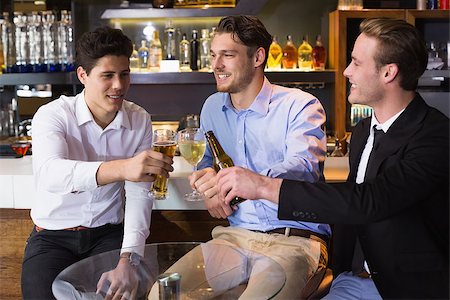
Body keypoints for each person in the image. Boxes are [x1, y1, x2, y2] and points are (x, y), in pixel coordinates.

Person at [216, 18, 449, 299]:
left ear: (388, 73)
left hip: (407, 288)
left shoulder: (436, 135)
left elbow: (369, 201)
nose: (347, 71)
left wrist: (263, 186)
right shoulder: (364, 131)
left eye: (356, 63)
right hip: (352, 280)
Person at [154, 15, 330, 299]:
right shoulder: (212, 106)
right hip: (235, 237)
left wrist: (249, 180)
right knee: (164, 293)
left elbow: (304, 168)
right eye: (214, 55)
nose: (216, 65)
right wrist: (208, 185)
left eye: (227, 55)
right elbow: (206, 161)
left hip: (293, 239)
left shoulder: (299, 105)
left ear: (258, 57)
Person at [21, 26, 174, 300]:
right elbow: (50, 174)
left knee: (123, 293)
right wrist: (122, 168)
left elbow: (140, 195)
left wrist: (129, 260)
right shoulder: (53, 115)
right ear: (83, 75)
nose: (119, 85)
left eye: (124, 74)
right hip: (52, 237)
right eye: (107, 75)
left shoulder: (139, 119)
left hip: (108, 235)